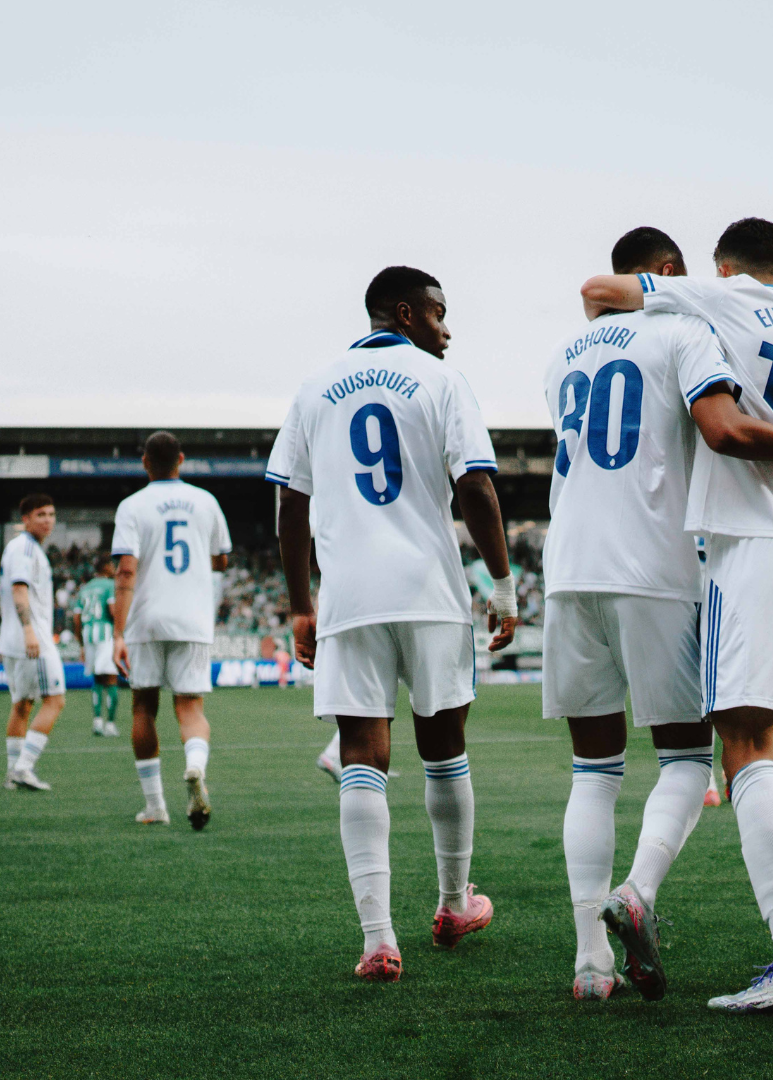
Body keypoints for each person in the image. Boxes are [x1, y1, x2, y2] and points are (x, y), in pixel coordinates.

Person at [545, 228, 773, 1002]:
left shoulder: (563, 357)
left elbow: (596, 305)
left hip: (568, 569)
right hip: (675, 565)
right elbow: (720, 430)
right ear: (671, 274)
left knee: (593, 770)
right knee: (717, 755)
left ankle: (591, 965)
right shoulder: (717, 329)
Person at [269, 266, 517, 983]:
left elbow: (290, 503)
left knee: (361, 756)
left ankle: (378, 939)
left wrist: (300, 603)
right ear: (406, 313)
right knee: (444, 749)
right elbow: (474, 483)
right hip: (430, 589)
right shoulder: (443, 380)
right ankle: (451, 903)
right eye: (440, 313)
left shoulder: (315, 385)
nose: (448, 328)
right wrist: (501, 585)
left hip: (349, 594)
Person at [111, 431, 232, 827]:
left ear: (144, 462)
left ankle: (155, 806)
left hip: (146, 618)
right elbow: (222, 559)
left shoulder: (131, 506)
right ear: (181, 459)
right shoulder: (206, 501)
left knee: (144, 706)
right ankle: (195, 766)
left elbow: (126, 569)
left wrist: (117, 634)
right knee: (190, 707)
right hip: (193, 617)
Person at [0, 495, 66, 791]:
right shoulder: (25, 548)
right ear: (25, 518)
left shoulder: (24, 548)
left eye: (51, 514)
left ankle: (12, 773)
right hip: (32, 639)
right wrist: (29, 631)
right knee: (55, 700)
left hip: (13, 639)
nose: (48, 519)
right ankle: (23, 768)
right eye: (41, 514)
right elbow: (19, 590)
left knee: (22, 705)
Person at [71, 556, 122, 735]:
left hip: (88, 634)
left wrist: (81, 644)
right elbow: (112, 611)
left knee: (97, 679)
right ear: (106, 567)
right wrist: (121, 633)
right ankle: (110, 724)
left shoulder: (84, 589)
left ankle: (97, 721)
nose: (114, 568)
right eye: (112, 565)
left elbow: (76, 619)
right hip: (105, 633)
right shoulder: (109, 586)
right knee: (111, 678)